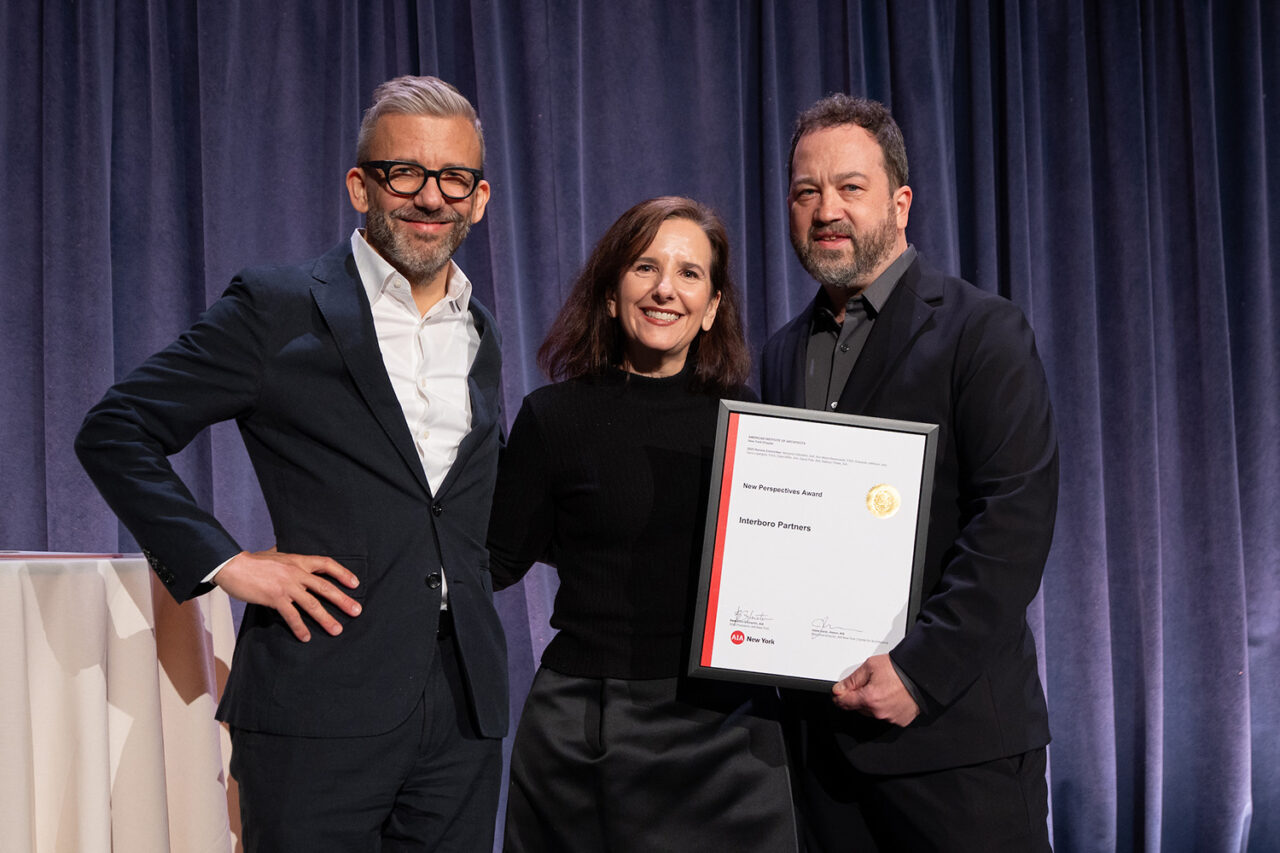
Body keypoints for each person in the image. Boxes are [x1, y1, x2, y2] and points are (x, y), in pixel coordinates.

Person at [75, 75, 508, 851]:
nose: (430, 197)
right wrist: (227, 562)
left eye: (454, 179)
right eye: (405, 172)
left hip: (462, 709)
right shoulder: (279, 306)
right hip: (319, 703)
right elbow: (116, 428)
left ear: (478, 198)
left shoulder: (479, 328)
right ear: (359, 185)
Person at [761, 94, 1059, 851]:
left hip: (957, 745)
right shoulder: (780, 352)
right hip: (822, 753)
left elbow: (1013, 523)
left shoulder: (981, 330)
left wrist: (918, 674)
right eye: (805, 191)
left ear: (900, 202)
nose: (826, 209)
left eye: (850, 188)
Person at [488, 196, 799, 852]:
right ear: (609, 292)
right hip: (587, 735)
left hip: (732, 735)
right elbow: (494, 557)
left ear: (713, 306)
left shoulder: (751, 421)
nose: (666, 288)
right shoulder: (552, 418)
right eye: (644, 266)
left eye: (690, 273)